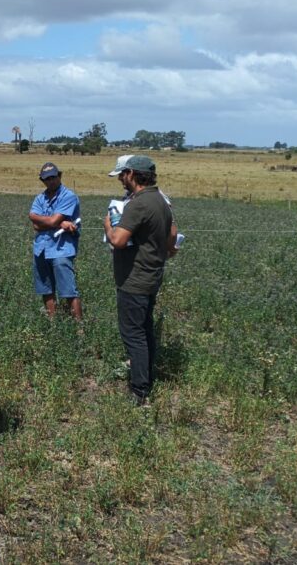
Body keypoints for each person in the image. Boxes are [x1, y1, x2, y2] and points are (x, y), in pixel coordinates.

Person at [103, 155, 178, 406]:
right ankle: (146, 379)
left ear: (133, 174)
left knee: (133, 335)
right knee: (145, 331)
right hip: (152, 275)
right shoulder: (161, 200)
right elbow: (172, 237)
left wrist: (107, 225)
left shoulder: (138, 204)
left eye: (123, 175)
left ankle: (139, 391)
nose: (121, 180)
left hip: (134, 280)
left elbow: (118, 240)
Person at [28, 162, 82, 320]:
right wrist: (60, 223)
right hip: (41, 248)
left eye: (53, 177)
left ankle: (80, 328)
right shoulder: (40, 198)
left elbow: (49, 221)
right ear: (42, 180)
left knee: (68, 290)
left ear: (59, 176)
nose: (51, 181)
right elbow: (34, 224)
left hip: (61, 249)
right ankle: (53, 324)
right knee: (46, 289)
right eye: (47, 179)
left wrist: (47, 221)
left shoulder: (68, 196)